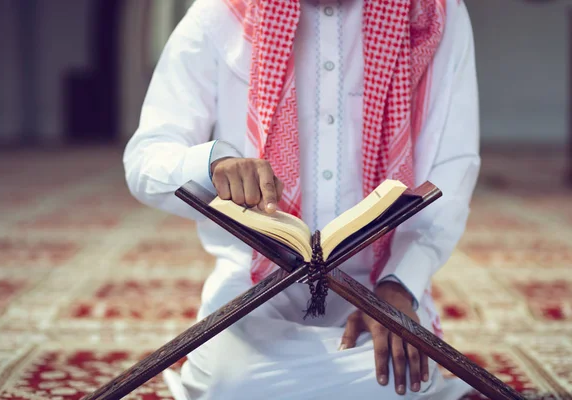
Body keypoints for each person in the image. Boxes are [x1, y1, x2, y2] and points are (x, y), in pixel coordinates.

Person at [123, 0, 480, 398]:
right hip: (251, 288)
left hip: (381, 283)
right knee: (229, 385)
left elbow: (453, 165)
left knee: (398, 385)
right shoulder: (221, 10)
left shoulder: (433, 10)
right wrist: (212, 164)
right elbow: (146, 158)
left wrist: (400, 286)